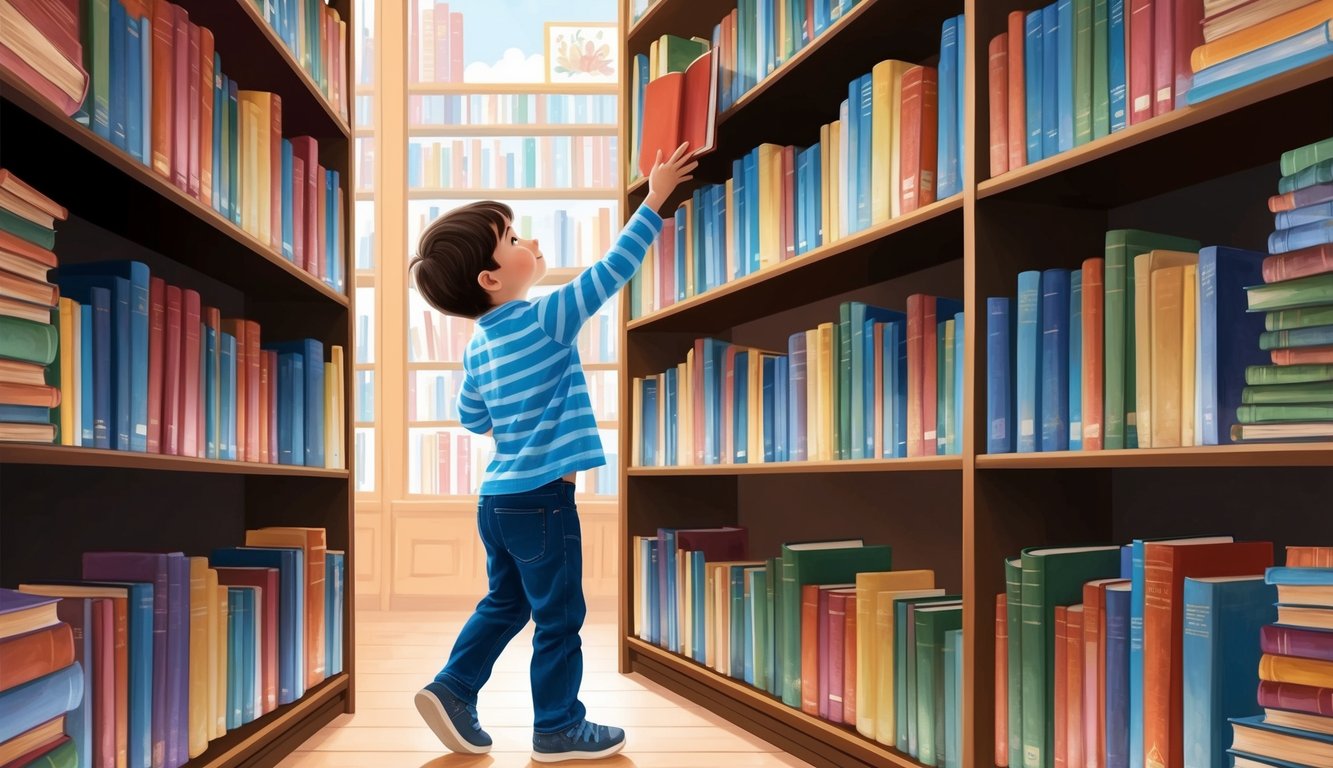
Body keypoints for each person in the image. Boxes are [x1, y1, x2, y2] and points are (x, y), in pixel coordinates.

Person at [407, 142, 696, 762]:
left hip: (497, 500)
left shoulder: (478, 346)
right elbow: (611, 271)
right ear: (492, 278)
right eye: (511, 238)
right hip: (543, 501)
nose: (526, 241)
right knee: (559, 616)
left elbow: (471, 416)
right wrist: (656, 198)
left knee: (506, 602)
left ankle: (454, 687)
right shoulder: (546, 319)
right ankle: (558, 726)